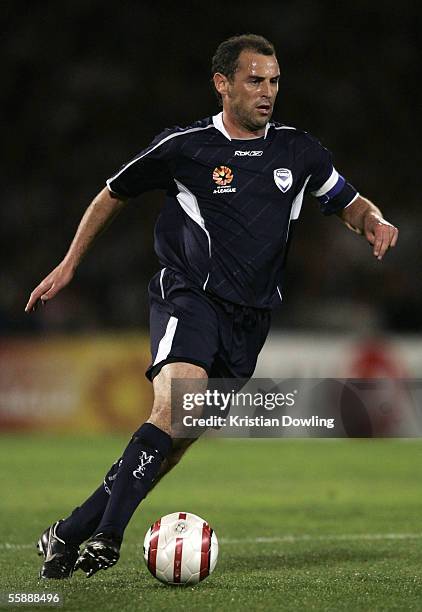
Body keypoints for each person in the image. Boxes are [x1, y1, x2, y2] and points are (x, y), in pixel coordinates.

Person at [25, 34, 398, 579]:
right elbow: (112, 193)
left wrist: (374, 221)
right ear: (223, 84)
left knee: (175, 440)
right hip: (190, 296)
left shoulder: (299, 150)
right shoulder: (186, 146)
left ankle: (69, 530)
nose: (267, 92)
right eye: (254, 80)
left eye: (273, 82)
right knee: (177, 403)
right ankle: (108, 535)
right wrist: (70, 264)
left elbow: (348, 201)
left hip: (252, 319)